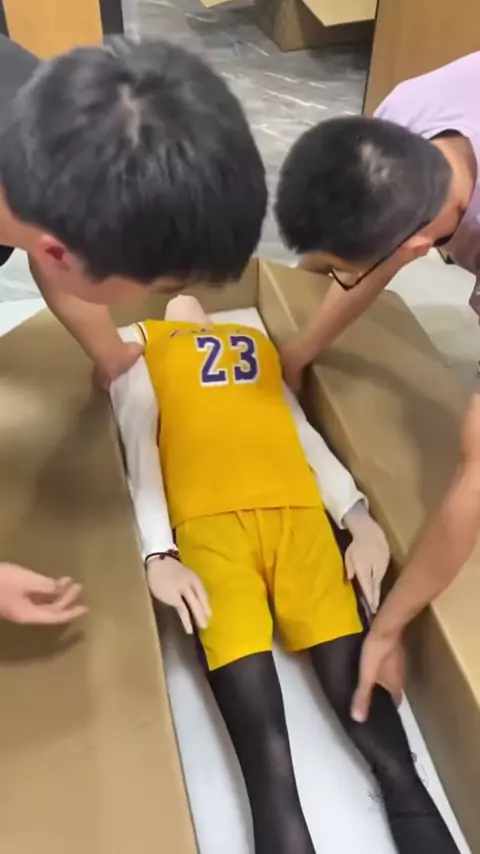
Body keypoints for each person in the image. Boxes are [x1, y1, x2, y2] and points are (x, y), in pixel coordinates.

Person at [109, 293, 458, 854]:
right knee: (268, 768)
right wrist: (159, 552)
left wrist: (357, 516)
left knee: (390, 751)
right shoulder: (141, 346)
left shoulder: (257, 342)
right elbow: (138, 441)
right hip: (211, 534)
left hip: (302, 523)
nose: (187, 295)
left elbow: (299, 429)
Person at [0, 35, 266, 624]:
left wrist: (112, 353)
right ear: (61, 253)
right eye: (163, 288)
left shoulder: (73, 122)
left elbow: (52, 250)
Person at [275, 52, 480, 721]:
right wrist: (296, 354)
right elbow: (361, 262)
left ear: (418, 250)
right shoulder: (402, 118)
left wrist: (388, 627)